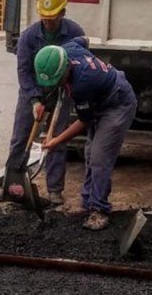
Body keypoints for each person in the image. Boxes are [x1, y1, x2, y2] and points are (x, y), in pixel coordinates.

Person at [0, 0, 85, 205]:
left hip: (62, 92)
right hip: (32, 90)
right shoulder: (29, 36)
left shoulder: (74, 33)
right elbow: (24, 71)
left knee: (55, 140)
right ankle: (11, 184)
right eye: (44, 18)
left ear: (63, 13)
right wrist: (35, 100)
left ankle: (54, 189)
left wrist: (68, 87)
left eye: (52, 18)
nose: (48, 22)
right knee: (20, 138)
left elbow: (82, 60)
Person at [37, 39, 137, 230]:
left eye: (58, 80)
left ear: (66, 67)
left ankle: (100, 210)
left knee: (100, 157)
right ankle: (87, 201)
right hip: (99, 97)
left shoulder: (82, 83)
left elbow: (84, 121)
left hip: (117, 103)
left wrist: (56, 141)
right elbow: (84, 40)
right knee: (90, 152)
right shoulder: (66, 48)